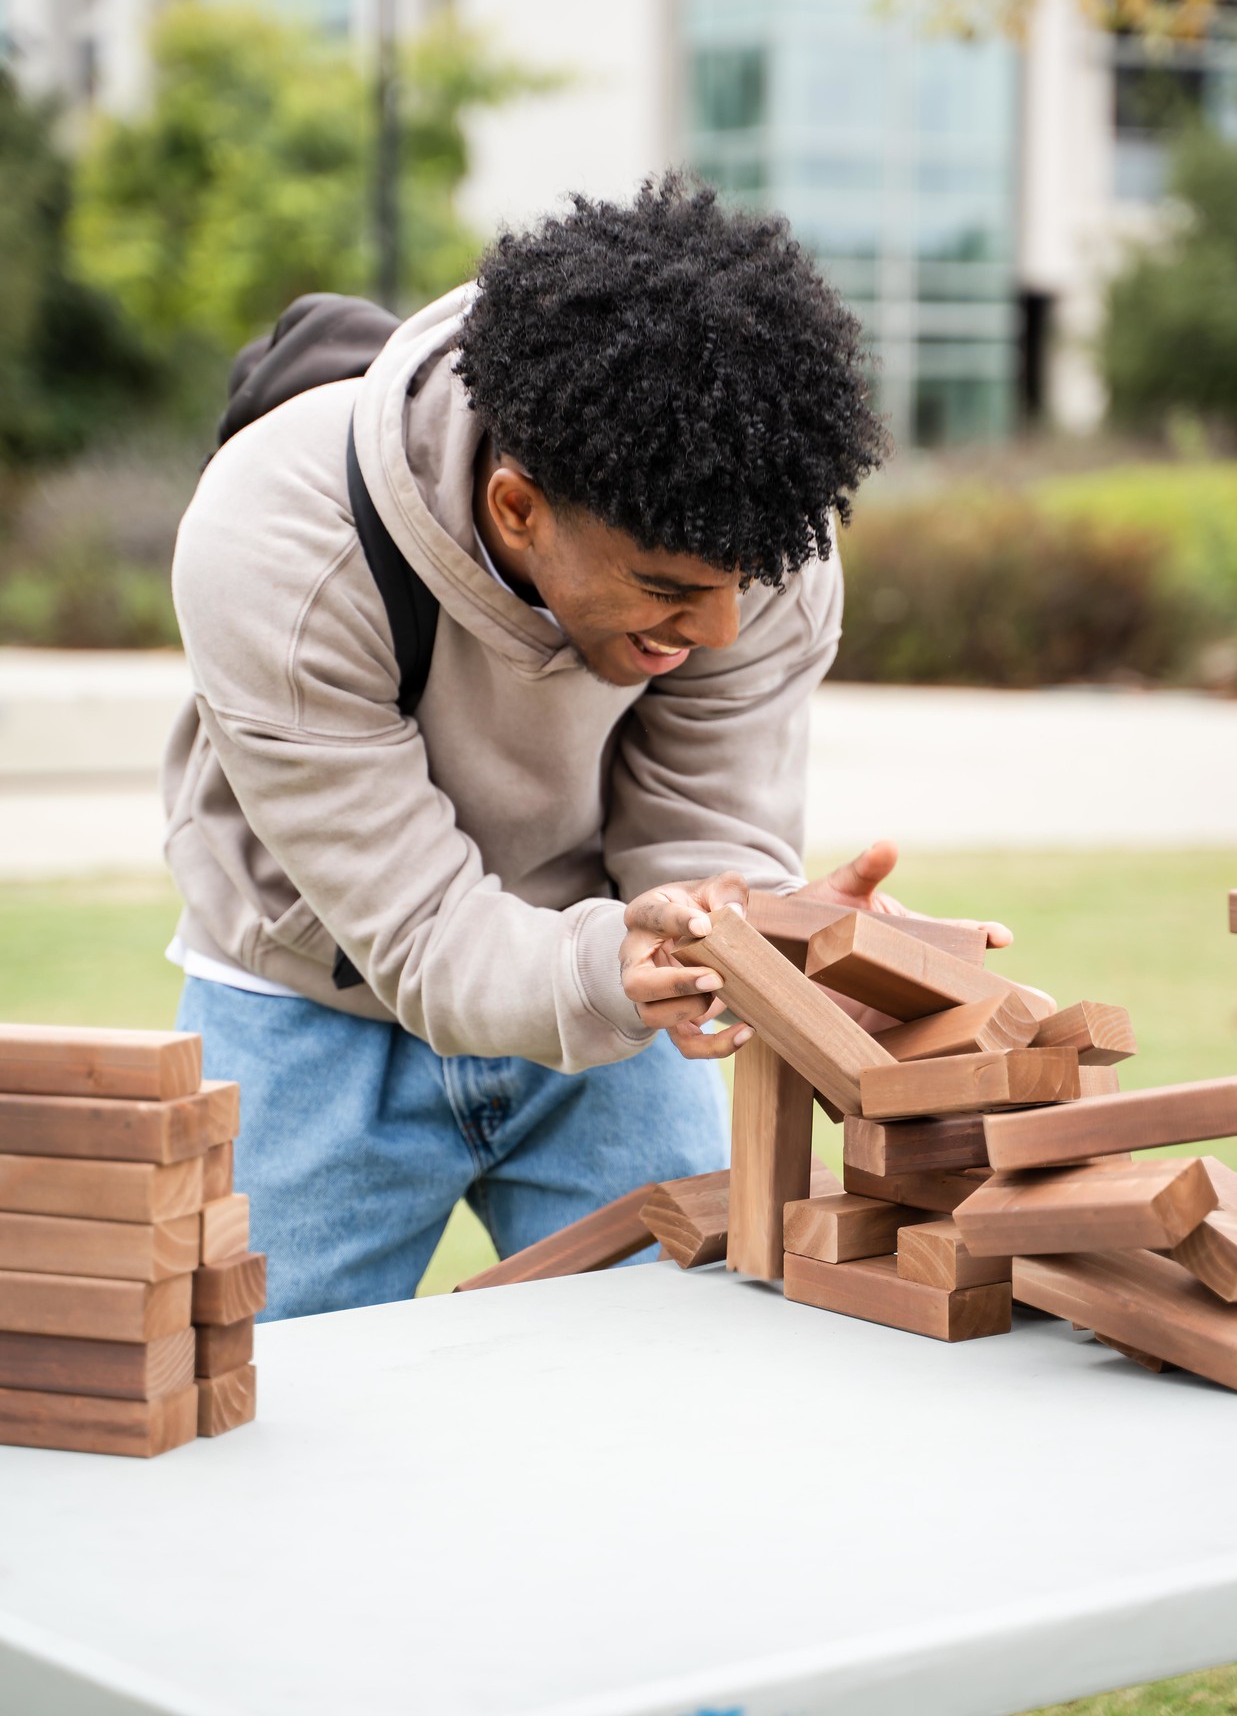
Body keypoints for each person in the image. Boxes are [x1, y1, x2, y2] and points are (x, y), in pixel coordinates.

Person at [162, 175, 999, 1320]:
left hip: (611, 994)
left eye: (737, 591)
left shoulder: (756, 531)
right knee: (255, 1407)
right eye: (669, 590)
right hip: (313, 1002)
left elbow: (700, 842)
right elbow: (418, 931)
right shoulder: (279, 547)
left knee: (681, 1386)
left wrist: (781, 941)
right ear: (517, 508)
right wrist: (609, 965)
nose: (715, 631)